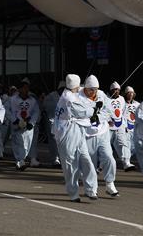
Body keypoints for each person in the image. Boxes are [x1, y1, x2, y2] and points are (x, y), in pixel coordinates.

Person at [54, 74, 97, 202]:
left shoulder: (70, 94)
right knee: (70, 164)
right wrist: (94, 110)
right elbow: (83, 112)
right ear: (76, 85)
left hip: (76, 131)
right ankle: (73, 193)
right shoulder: (68, 98)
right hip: (67, 132)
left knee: (86, 160)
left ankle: (91, 190)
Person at [79, 75, 119, 197]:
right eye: (91, 89)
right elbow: (77, 114)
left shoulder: (102, 95)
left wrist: (99, 117)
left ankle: (110, 183)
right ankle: (90, 189)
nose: (93, 92)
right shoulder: (78, 97)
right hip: (87, 134)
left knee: (109, 158)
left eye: (95, 89)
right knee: (90, 163)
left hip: (102, 133)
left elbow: (108, 111)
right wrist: (90, 117)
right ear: (85, 88)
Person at [7, 78, 40, 171]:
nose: (26, 90)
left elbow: (36, 112)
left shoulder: (32, 100)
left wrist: (31, 122)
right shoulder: (12, 100)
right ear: (19, 89)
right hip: (17, 125)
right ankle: (20, 161)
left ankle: (21, 160)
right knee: (19, 143)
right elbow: (6, 110)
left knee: (27, 145)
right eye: (24, 88)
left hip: (28, 127)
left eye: (27, 88)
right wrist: (15, 120)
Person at [107, 82, 133, 171]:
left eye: (118, 90)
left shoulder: (122, 99)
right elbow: (102, 112)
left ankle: (126, 163)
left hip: (120, 126)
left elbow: (124, 112)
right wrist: (107, 120)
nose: (116, 91)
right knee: (106, 146)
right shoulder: (105, 98)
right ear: (111, 90)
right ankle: (101, 165)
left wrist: (125, 124)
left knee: (123, 144)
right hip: (108, 127)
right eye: (114, 90)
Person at [44, 81, 64, 166]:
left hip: (63, 122)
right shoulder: (51, 96)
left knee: (62, 140)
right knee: (53, 140)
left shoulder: (67, 96)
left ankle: (61, 157)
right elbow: (45, 108)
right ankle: (55, 158)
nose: (63, 91)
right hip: (52, 121)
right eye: (61, 89)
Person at [123, 86, 139, 165]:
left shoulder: (137, 104)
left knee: (134, 147)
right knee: (127, 144)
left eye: (132, 93)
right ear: (126, 94)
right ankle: (127, 161)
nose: (130, 94)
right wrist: (124, 126)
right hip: (126, 127)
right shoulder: (123, 103)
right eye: (129, 93)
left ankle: (126, 158)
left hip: (135, 128)